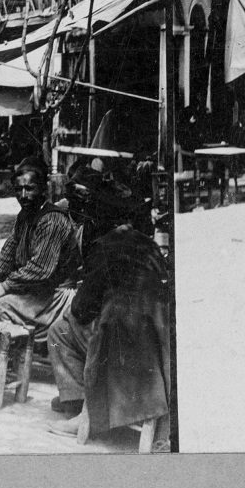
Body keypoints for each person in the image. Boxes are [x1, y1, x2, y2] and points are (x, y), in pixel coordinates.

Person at [44, 177, 173, 443]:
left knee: (59, 331)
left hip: (119, 340)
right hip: (156, 339)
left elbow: (82, 310)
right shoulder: (148, 245)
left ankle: (82, 404)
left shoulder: (104, 246)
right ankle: (82, 399)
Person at [0, 167, 83, 336]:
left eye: (29, 189)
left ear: (43, 190)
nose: (23, 195)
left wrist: (4, 286)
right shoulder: (24, 217)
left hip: (55, 296)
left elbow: (40, 268)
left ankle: (16, 348)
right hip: (33, 290)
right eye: (18, 190)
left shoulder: (52, 220)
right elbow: (6, 257)